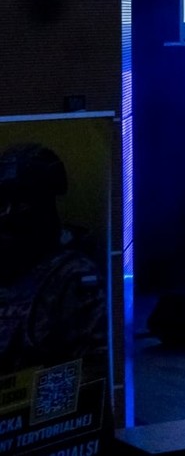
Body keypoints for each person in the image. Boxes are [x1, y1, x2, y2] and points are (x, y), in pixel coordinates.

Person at [0, 143, 106, 374]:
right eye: (3, 202)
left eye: (22, 202)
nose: (8, 214)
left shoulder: (72, 276)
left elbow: (94, 370)